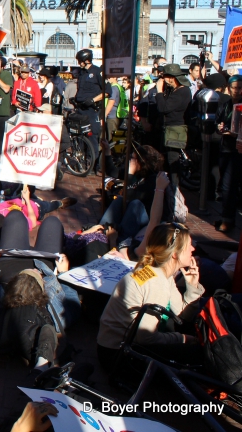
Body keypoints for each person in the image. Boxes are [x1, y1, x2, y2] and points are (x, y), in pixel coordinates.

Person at [97, 222, 204, 371]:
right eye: (189, 246)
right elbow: (146, 338)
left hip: (117, 348)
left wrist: (192, 287)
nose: (193, 249)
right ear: (174, 254)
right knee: (199, 356)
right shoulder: (156, 283)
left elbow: (180, 316)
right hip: (118, 356)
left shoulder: (160, 273)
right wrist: (182, 339)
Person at [156, 63, 192, 188]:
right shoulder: (174, 90)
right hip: (168, 128)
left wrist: (159, 92)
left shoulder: (182, 91)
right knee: (164, 158)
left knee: (173, 160)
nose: (163, 80)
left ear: (171, 77)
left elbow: (163, 108)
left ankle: (174, 189)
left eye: (164, 76)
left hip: (175, 129)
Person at [215, 74, 242, 231]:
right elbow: (218, 121)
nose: (237, 91)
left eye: (240, 88)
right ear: (228, 88)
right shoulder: (225, 104)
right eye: (234, 88)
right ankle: (227, 217)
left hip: (238, 149)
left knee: (230, 185)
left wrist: (235, 133)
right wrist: (219, 128)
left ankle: (228, 219)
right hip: (226, 149)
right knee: (226, 186)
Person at [73, 48, 104, 168]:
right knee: (80, 138)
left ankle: (93, 165)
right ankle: (81, 163)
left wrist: (92, 100)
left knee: (92, 138)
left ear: (86, 60)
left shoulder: (97, 72)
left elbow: (106, 92)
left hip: (92, 110)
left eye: (80, 60)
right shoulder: (81, 73)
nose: (78, 63)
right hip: (81, 110)